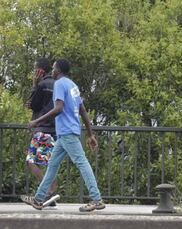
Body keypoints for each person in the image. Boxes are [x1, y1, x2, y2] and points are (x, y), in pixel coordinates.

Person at [22, 59, 105, 212]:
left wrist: (36, 121)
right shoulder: (73, 85)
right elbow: (83, 111)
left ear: (58, 70)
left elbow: (58, 108)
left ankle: (96, 199)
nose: (52, 71)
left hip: (67, 132)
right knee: (52, 165)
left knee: (82, 162)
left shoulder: (59, 84)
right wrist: (90, 134)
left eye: (53, 68)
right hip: (65, 133)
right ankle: (39, 199)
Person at [23, 58, 58, 207]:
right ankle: (51, 195)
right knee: (51, 163)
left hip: (42, 128)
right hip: (55, 129)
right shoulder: (57, 84)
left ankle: (47, 192)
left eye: (35, 69)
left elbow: (32, 105)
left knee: (30, 161)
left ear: (39, 71)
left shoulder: (42, 84)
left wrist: (34, 86)